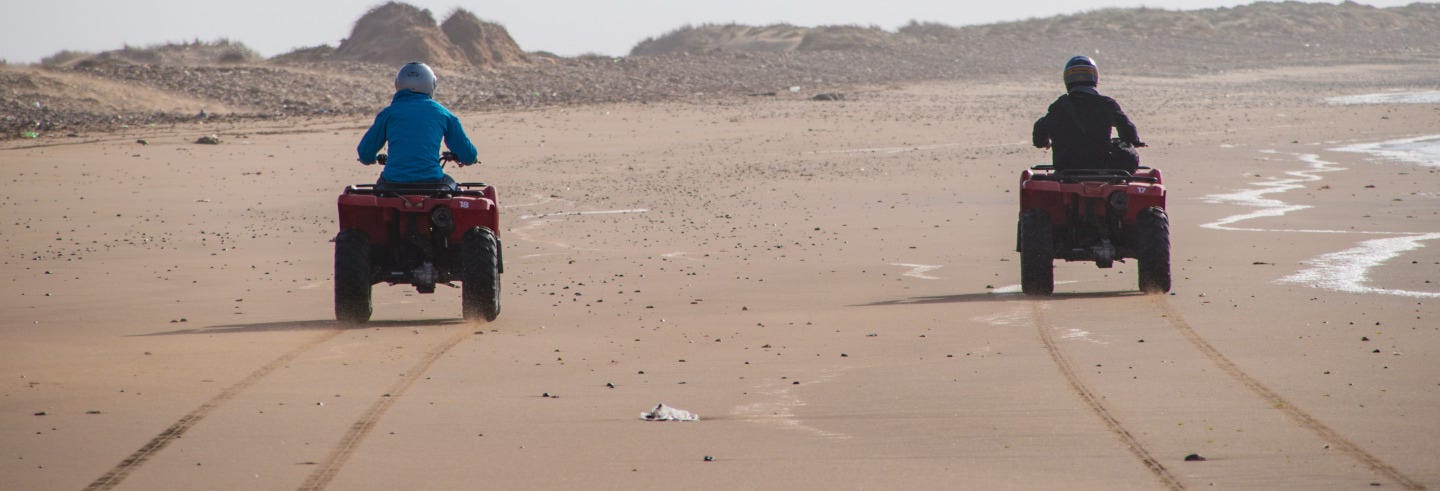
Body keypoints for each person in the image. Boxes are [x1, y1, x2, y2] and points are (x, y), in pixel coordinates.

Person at [357, 62, 478, 187]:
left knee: (379, 193)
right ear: (431, 84)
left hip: (392, 183)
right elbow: (467, 155)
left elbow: (365, 153)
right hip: (432, 183)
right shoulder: (443, 114)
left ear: (398, 84)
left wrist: (371, 159)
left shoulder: (388, 114)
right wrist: (470, 159)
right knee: (453, 188)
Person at [1032, 56, 1145, 171]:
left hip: (1065, 167)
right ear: (1094, 77)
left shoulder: (1058, 106)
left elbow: (1039, 132)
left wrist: (1045, 142)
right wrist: (1133, 141)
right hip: (1100, 165)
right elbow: (1128, 131)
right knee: (1128, 153)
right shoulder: (1106, 104)